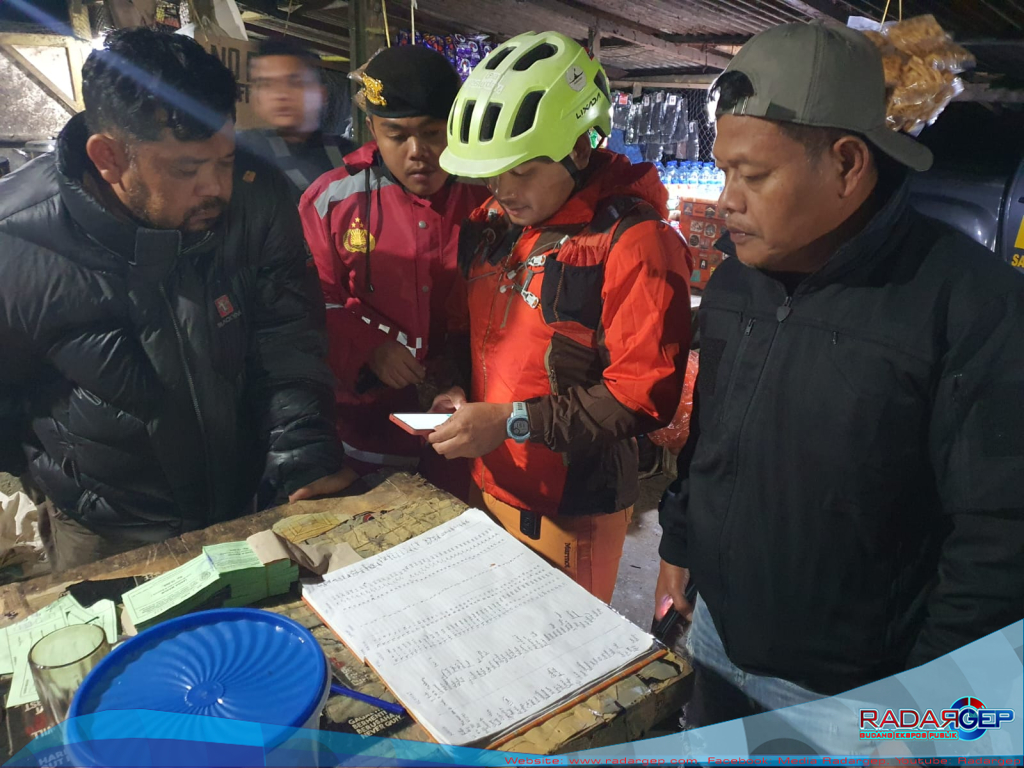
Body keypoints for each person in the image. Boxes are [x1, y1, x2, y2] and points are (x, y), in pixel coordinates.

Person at [657, 21, 1024, 734]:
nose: (727, 199)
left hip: (860, 695)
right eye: (724, 170)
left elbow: (999, 541)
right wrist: (677, 545)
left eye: (753, 175)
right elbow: (711, 444)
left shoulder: (970, 307)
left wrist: (934, 715)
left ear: (849, 165)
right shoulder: (737, 284)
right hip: (718, 636)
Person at [0, 28, 356, 572]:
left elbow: (287, 336)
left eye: (225, 160)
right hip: (107, 537)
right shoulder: (17, 242)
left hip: (248, 507)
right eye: (188, 169)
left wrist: (301, 452)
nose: (217, 188)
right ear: (109, 158)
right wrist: (65, 484)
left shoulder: (259, 198)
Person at [430, 31, 693, 603]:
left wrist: (510, 421)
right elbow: (466, 330)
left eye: (522, 169)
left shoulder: (635, 242)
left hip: (575, 501)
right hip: (490, 477)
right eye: (493, 172)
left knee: (562, 668)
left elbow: (641, 395)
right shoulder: (494, 225)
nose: (503, 188)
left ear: (578, 149)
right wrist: (452, 384)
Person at [299, 45, 489, 495]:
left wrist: (458, 374)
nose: (418, 152)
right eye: (397, 134)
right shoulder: (330, 201)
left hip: (465, 428)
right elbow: (310, 301)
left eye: (431, 132)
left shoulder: (492, 199)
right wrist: (368, 347)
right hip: (366, 429)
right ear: (372, 130)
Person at [240, 37, 355, 204]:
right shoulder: (240, 154)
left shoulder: (350, 157)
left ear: (320, 93)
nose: (280, 95)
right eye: (267, 84)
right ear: (255, 96)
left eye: (294, 83)